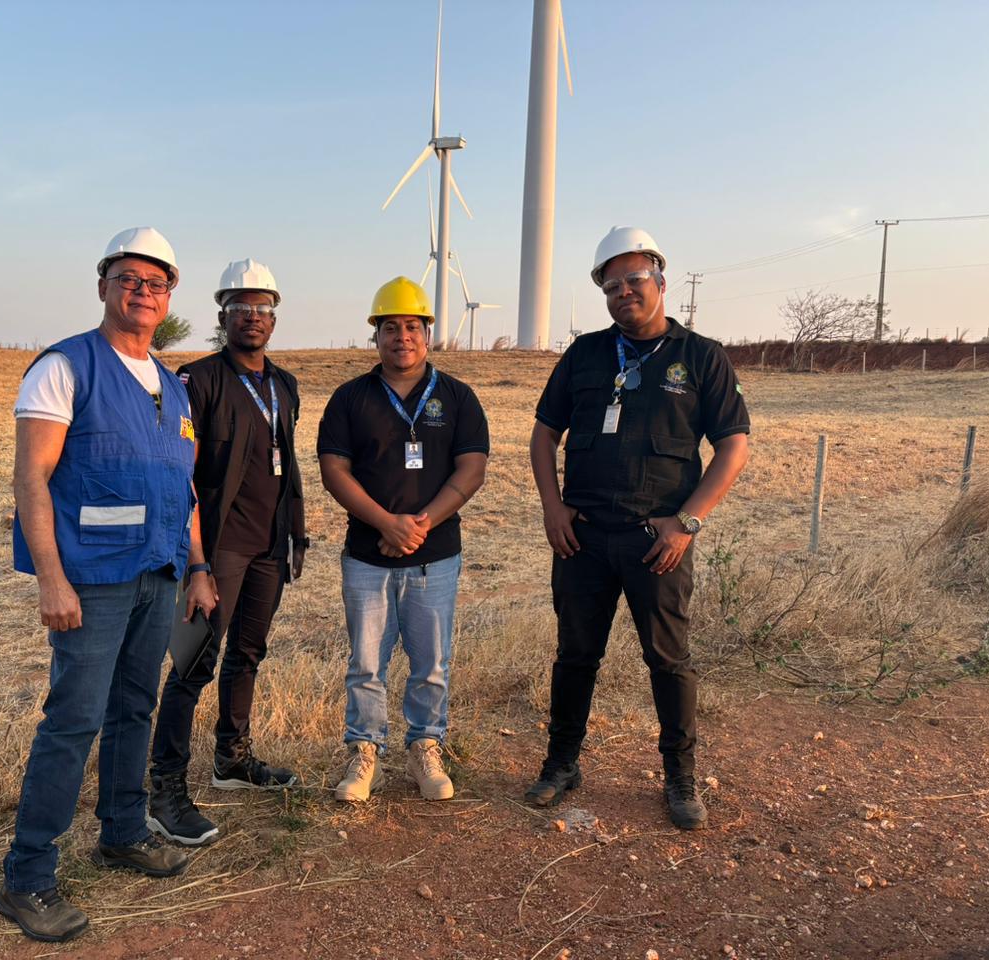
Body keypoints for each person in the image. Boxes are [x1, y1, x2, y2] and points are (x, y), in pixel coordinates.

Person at [0, 227, 214, 943]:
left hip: (158, 574)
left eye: (156, 283)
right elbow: (31, 479)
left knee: (134, 709)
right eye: (129, 279)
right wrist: (50, 580)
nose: (142, 292)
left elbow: (182, 488)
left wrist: (197, 567)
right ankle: (27, 876)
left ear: (169, 297)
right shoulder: (66, 367)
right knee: (74, 720)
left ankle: (122, 831)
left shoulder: (174, 388)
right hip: (89, 581)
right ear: (103, 287)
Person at [525, 227, 750, 830]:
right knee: (575, 656)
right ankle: (561, 764)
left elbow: (733, 448)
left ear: (661, 280)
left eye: (634, 279)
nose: (623, 292)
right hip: (581, 537)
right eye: (611, 285)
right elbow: (544, 435)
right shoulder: (585, 355)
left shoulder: (701, 357)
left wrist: (687, 523)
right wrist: (552, 507)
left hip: (658, 543)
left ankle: (680, 777)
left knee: (669, 660)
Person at [147, 258, 306, 846]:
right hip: (217, 550)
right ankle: (165, 787)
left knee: (248, 654)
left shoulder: (284, 385)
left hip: (269, 546)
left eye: (263, 308)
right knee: (193, 664)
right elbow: (180, 475)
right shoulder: (197, 381)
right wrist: (197, 563)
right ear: (223, 317)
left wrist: (294, 535)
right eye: (241, 308)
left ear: (274, 318)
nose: (253, 317)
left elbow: (284, 465)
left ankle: (232, 759)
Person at [317, 277, 489, 803]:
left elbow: (472, 469)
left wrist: (418, 526)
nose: (402, 337)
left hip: (435, 557)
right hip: (367, 558)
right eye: (390, 327)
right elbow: (334, 470)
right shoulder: (350, 398)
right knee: (365, 664)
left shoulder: (458, 397)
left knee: (431, 662)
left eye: (412, 326)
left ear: (428, 333)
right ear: (376, 335)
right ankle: (364, 751)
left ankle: (425, 746)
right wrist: (385, 523)